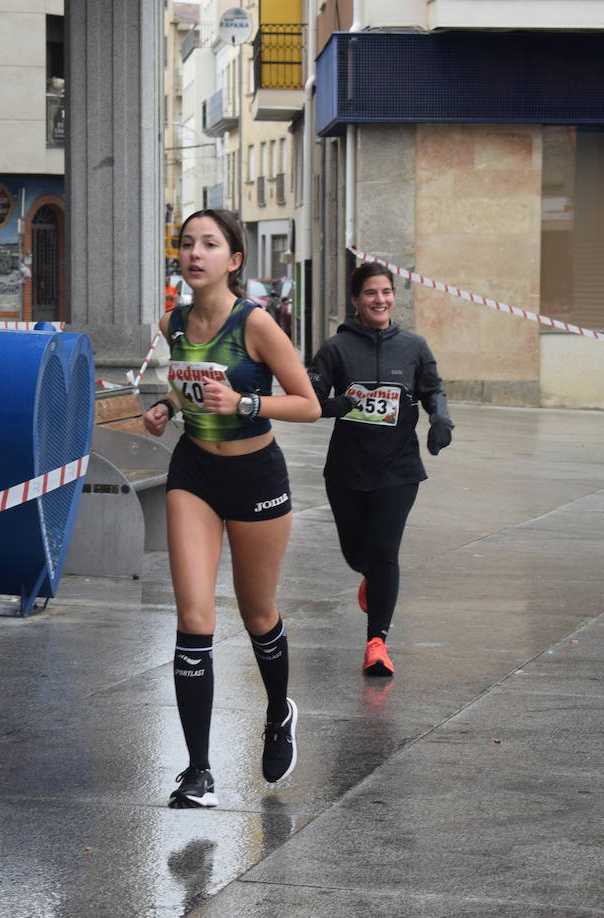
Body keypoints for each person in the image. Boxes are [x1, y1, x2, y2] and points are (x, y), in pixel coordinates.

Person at [142, 209, 321, 808]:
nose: (195, 253)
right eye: (187, 243)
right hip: (193, 471)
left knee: (257, 612)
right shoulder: (173, 322)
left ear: (234, 260)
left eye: (210, 244)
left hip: (254, 476)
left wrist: (246, 404)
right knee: (194, 616)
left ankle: (278, 713)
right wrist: (167, 406)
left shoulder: (257, 323)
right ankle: (198, 772)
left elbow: (308, 404)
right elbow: (188, 386)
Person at [307, 262, 453, 677]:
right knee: (358, 554)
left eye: (386, 291)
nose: (380, 299)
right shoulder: (336, 349)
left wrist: (441, 419)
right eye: (371, 292)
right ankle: (369, 575)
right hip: (346, 470)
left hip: (398, 469)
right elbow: (309, 398)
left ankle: (377, 644)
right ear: (356, 300)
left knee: (385, 552)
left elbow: (433, 389)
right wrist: (334, 405)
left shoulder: (413, 346)